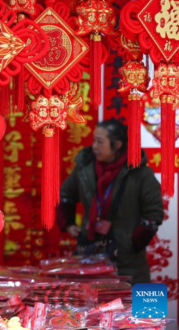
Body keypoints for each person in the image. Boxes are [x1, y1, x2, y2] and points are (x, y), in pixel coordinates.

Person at [57, 119, 164, 284]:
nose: (94, 146)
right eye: (94, 140)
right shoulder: (85, 167)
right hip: (89, 254)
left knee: (144, 308)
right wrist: (68, 224)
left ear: (118, 144)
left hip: (129, 262)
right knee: (90, 307)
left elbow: (153, 213)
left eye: (100, 142)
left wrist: (133, 242)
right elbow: (65, 195)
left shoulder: (140, 173)